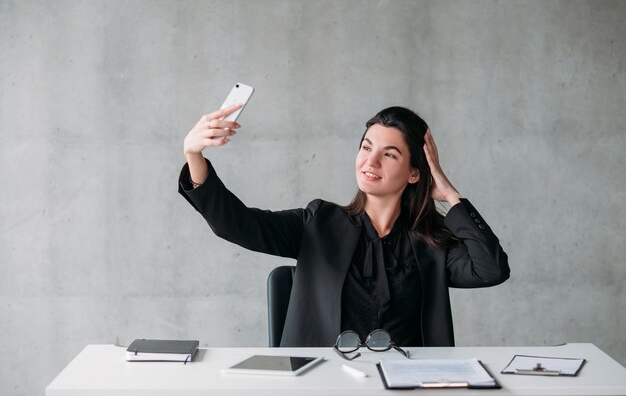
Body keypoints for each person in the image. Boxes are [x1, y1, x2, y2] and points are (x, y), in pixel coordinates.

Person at [179, 105, 510, 347]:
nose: (371, 161)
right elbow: (236, 224)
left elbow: (491, 269)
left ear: (414, 172)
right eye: (366, 147)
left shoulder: (430, 241)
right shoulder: (318, 222)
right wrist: (194, 155)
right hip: (324, 383)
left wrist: (451, 196)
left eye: (390, 154)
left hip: (404, 385)